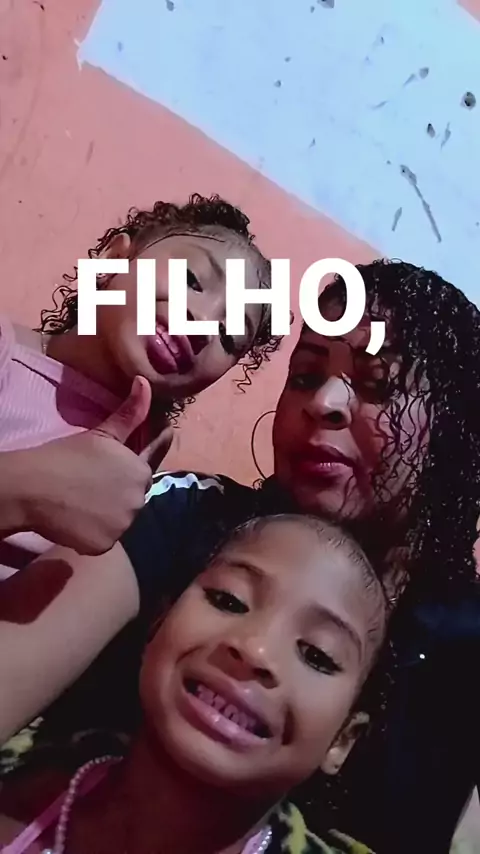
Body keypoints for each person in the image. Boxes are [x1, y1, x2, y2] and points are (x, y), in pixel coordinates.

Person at [1, 259, 479, 853]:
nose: (323, 402)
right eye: (304, 376)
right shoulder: (185, 515)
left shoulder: (466, 643)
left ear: (456, 434)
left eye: (378, 385)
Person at [0, 514, 388, 853]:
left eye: (316, 654)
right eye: (229, 600)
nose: (255, 649)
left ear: (343, 740)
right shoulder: (17, 783)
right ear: (158, 625)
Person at [0, 193, 279, 575]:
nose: (201, 323)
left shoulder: (145, 471)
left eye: (229, 336)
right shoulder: (8, 353)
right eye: (190, 279)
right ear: (113, 260)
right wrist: (28, 488)